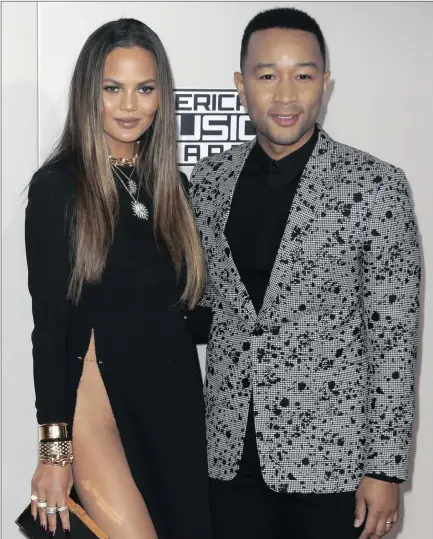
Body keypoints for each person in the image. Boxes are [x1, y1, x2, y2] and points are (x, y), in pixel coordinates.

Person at [189, 7, 421, 539]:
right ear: (240, 86)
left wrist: (384, 469)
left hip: (333, 463)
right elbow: (203, 308)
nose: (286, 94)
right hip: (228, 455)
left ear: (326, 84)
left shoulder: (375, 184)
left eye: (304, 74)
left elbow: (394, 338)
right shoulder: (208, 179)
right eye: (267, 75)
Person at [25, 18, 213, 539]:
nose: (130, 105)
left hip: (171, 400)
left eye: (145, 88)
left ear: (161, 96)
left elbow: (186, 314)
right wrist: (53, 450)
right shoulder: (59, 187)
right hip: (96, 406)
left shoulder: (172, 187)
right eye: (113, 88)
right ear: (91, 93)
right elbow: (50, 327)